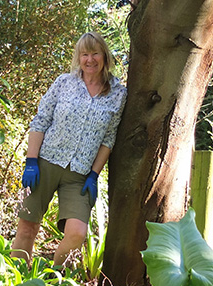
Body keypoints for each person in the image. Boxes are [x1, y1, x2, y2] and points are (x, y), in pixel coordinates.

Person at [11, 32, 127, 267]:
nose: (90, 59)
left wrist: (94, 175)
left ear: (104, 56)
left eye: (95, 53)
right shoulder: (64, 83)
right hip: (45, 164)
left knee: (77, 233)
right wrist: (31, 161)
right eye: (85, 54)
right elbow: (40, 120)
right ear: (78, 57)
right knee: (27, 226)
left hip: (79, 174)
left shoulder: (118, 93)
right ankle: (16, 285)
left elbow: (108, 138)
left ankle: (53, 281)